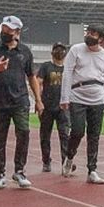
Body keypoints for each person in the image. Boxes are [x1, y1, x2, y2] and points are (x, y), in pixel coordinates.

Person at [0, 15, 44, 190]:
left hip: (20, 101)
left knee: (23, 133)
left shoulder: (25, 52)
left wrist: (38, 100)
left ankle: (19, 170)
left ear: (17, 32)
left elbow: (32, 77)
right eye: (3, 28)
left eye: (8, 29)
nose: (4, 32)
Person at [60, 24, 104, 185]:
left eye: (93, 33)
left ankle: (92, 170)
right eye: (88, 32)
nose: (89, 35)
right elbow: (67, 73)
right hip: (77, 96)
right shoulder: (76, 50)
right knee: (77, 131)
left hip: (98, 98)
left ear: (101, 39)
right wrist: (64, 97)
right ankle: (69, 157)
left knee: (94, 135)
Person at [36, 42, 72, 173]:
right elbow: (38, 82)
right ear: (52, 53)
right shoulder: (46, 66)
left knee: (65, 135)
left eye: (62, 50)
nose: (60, 52)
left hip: (63, 107)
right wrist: (38, 101)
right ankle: (46, 161)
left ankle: (65, 162)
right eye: (57, 49)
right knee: (45, 136)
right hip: (47, 107)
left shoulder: (68, 68)